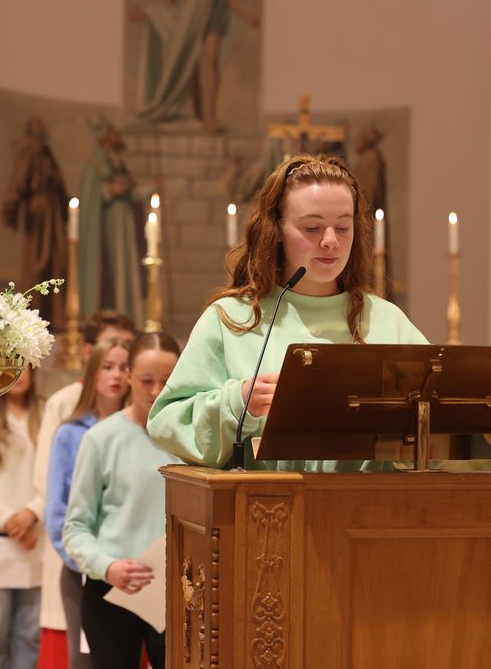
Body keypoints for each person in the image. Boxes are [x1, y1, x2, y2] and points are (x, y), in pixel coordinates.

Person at [147, 154, 428, 471]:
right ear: (276, 229)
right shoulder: (231, 318)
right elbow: (167, 424)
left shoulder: (387, 321)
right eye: (312, 227)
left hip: (369, 500)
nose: (330, 241)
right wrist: (238, 402)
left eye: (343, 227)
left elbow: (444, 428)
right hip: (264, 500)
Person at [62, 332, 182, 669]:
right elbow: (75, 527)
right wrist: (108, 566)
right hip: (111, 590)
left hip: (175, 591)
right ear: (128, 375)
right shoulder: (100, 438)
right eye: (146, 380)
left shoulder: (188, 438)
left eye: (167, 381)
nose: (156, 391)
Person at [33, 312, 137, 669]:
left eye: (125, 368)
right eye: (108, 367)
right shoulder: (71, 432)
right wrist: (90, 562)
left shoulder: (140, 429)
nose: (117, 376)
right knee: (86, 664)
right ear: (92, 371)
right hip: (84, 566)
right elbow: (57, 509)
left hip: (131, 564)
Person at [130, 0, 261, 133]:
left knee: (212, 59)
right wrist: (148, 13)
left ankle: (210, 117)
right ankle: (200, 115)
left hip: (212, 20)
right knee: (190, 67)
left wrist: (247, 17)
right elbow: (171, 0)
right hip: (190, 21)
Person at [0, 367, 44, 669]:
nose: (19, 372)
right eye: (11, 364)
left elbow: (57, 471)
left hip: (35, 533)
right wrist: (9, 519)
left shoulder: (46, 412)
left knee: (31, 633)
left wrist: (32, 513)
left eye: (24, 364)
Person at [2, 117, 69, 330]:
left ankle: (54, 315)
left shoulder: (45, 153)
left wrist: (64, 205)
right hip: (40, 211)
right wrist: (11, 204)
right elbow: (19, 181)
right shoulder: (29, 152)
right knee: (39, 259)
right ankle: (35, 312)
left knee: (55, 261)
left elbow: (58, 184)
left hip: (52, 210)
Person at [78, 119, 145, 324]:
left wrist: (147, 188)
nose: (119, 137)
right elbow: (94, 193)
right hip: (107, 226)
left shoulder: (117, 162)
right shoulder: (98, 162)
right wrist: (111, 189)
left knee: (125, 268)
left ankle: (126, 311)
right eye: (115, 134)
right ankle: (104, 313)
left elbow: (131, 190)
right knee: (110, 269)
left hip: (123, 225)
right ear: (105, 138)